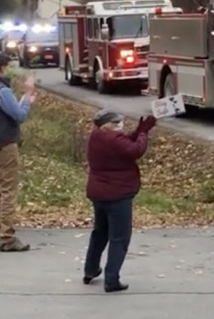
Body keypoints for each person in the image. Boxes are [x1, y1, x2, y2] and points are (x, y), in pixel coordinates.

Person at [83, 109, 157, 292]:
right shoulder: (113, 140)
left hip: (98, 193)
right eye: (118, 123)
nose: (120, 126)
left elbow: (124, 143)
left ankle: (90, 270)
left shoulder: (96, 137)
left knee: (100, 233)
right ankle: (111, 278)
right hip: (118, 195)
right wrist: (143, 132)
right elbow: (136, 150)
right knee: (119, 237)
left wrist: (138, 130)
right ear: (109, 125)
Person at [0, 53, 35, 252]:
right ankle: (7, 237)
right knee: (8, 192)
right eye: (10, 66)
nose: (12, 69)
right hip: (5, 146)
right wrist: (27, 96)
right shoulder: (2, 91)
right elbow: (18, 115)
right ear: (3, 68)